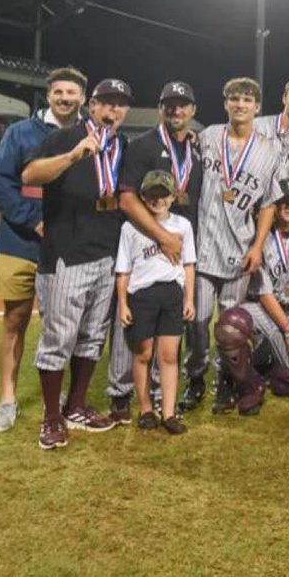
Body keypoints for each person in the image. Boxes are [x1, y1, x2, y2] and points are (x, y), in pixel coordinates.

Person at [22, 78, 133, 450]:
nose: (112, 110)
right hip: (67, 254)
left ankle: (76, 405)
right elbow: (30, 175)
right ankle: (51, 417)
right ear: (92, 105)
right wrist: (73, 156)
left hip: (105, 253)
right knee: (58, 339)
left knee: (91, 338)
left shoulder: (122, 145)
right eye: (106, 103)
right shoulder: (65, 137)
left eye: (120, 105)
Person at [0, 66, 86, 432]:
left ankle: (59, 397)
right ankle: (7, 401)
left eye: (71, 93)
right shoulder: (20, 132)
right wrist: (34, 219)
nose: (64, 98)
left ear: (82, 98)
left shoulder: (87, 135)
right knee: (15, 320)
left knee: (63, 326)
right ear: (49, 95)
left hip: (67, 247)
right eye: (58, 92)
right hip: (18, 241)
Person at [107, 81, 204, 420]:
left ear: (192, 111)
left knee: (170, 338)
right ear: (160, 109)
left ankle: (167, 401)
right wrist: (162, 236)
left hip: (180, 251)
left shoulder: (197, 149)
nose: (176, 110)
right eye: (169, 105)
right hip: (150, 243)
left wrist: (176, 240)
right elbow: (127, 196)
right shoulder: (143, 145)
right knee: (134, 337)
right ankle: (121, 395)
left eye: (182, 105)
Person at [195, 78, 286, 413]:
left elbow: (267, 205)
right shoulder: (206, 137)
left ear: (257, 107)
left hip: (239, 251)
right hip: (204, 246)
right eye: (234, 98)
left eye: (247, 99)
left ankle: (226, 383)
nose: (240, 104)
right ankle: (194, 378)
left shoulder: (269, 149)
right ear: (225, 104)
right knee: (197, 320)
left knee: (230, 325)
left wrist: (258, 246)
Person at [215, 178, 289, 413]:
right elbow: (265, 293)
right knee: (231, 324)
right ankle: (250, 386)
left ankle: (264, 367)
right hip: (268, 310)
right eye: (283, 201)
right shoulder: (262, 241)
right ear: (274, 206)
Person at [114, 170, 196, 434]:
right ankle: (146, 408)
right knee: (144, 353)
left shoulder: (182, 226)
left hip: (171, 295)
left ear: (173, 197)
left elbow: (189, 265)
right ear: (142, 196)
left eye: (163, 194)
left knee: (169, 355)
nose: (158, 199)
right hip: (142, 296)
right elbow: (123, 269)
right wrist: (123, 303)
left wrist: (189, 299)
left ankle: (169, 412)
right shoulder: (131, 227)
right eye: (152, 194)